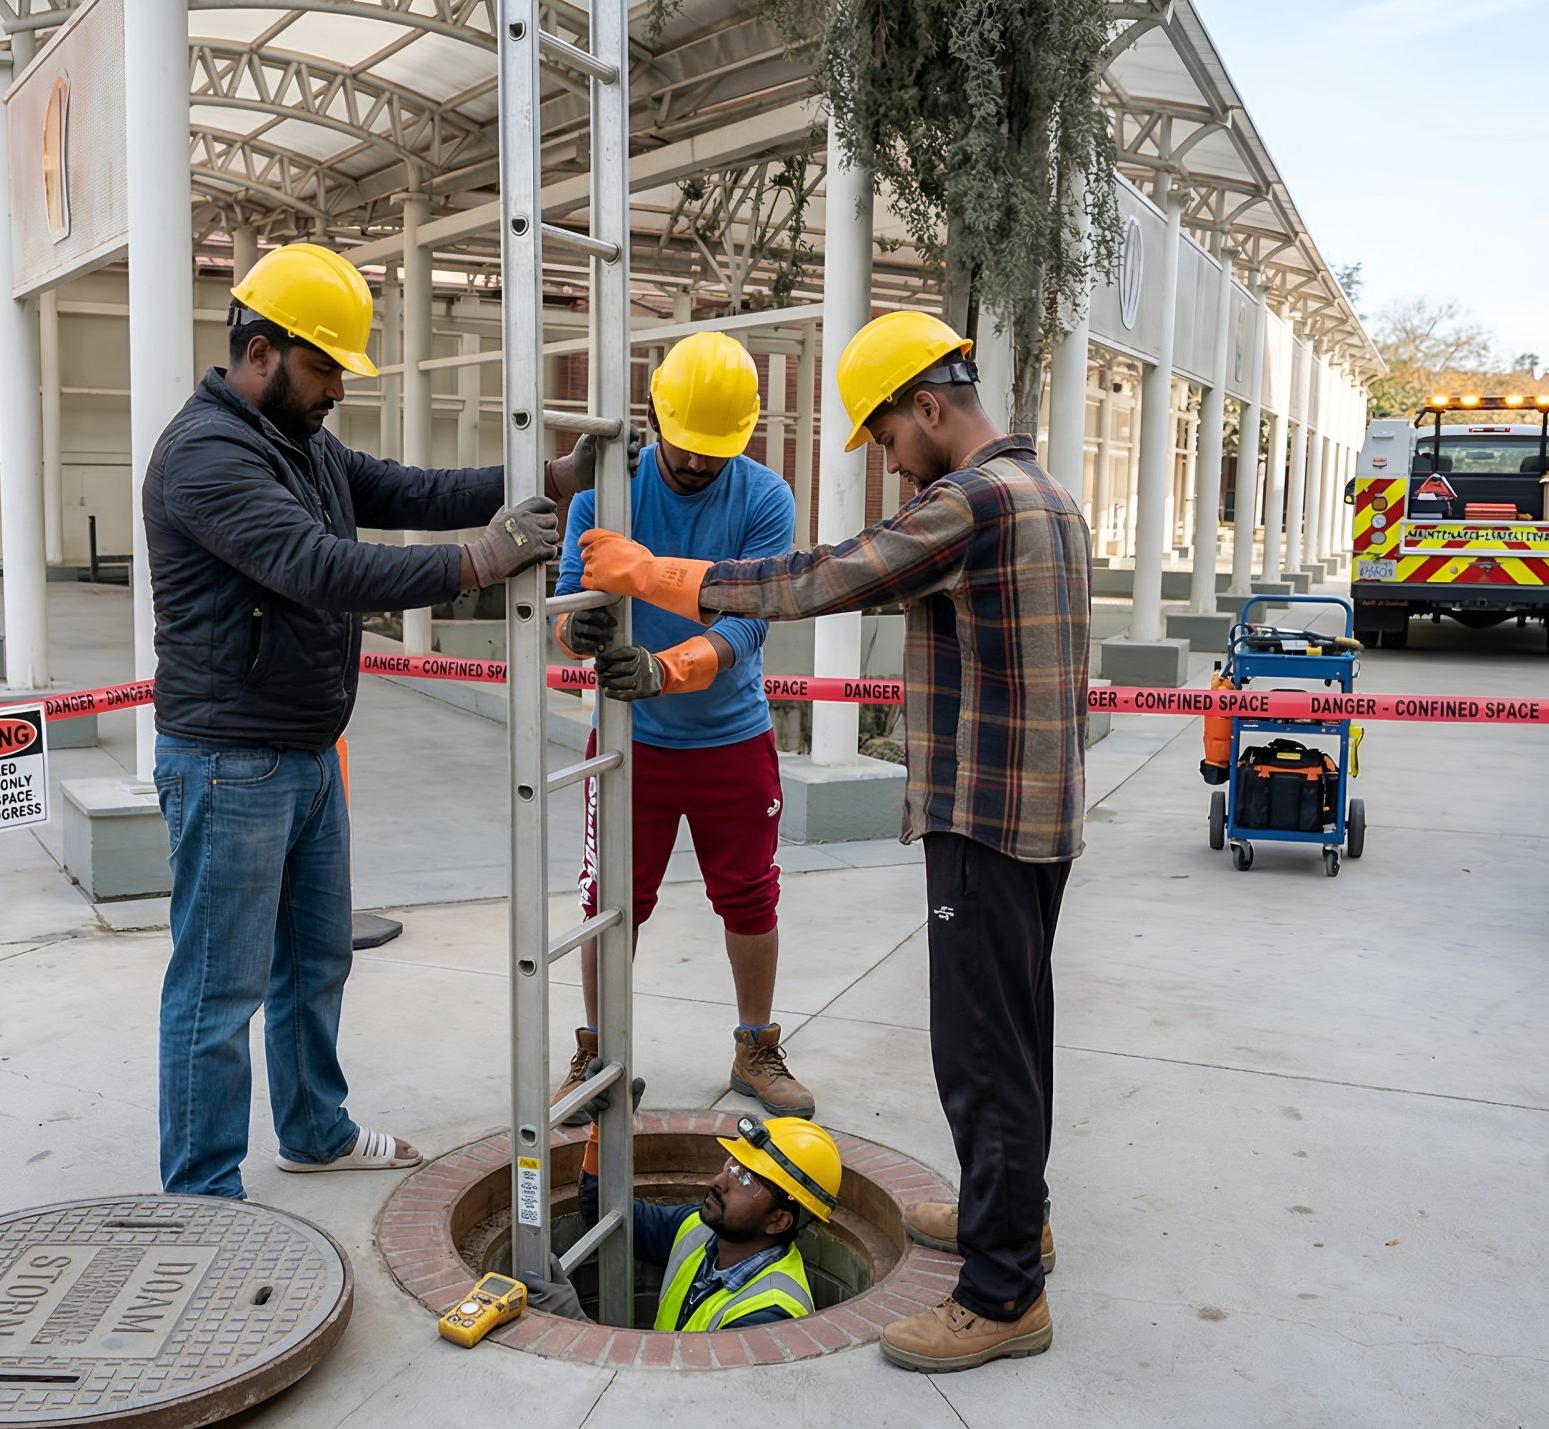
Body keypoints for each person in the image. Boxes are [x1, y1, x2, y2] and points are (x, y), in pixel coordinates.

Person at [573, 309, 1090, 1373]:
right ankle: (1015, 1215)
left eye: (887, 440)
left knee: (980, 1055)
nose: (891, 466)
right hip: (1035, 814)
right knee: (1017, 1031)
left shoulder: (975, 502)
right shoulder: (1042, 492)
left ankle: (1001, 1294)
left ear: (928, 407)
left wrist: (654, 577)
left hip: (984, 817)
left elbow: (816, 581)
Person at [144, 240, 596, 1196]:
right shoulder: (207, 456)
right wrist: (476, 563)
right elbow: (321, 568)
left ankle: (313, 1129)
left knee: (313, 965)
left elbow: (410, 491)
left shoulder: (299, 441)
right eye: (323, 368)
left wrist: (547, 479)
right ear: (259, 350)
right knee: (217, 991)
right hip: (229, 761)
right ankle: (201, 1196)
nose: (336, 390)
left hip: (303, 754)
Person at [549, 331, 810, 1124]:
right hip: (632, 750)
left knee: (750, 896)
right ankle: (599, 1050)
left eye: (715, 450)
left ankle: (755, 1047)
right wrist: (577, 634)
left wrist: (671, 668)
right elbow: (567, 596)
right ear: (656, 415)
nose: (697, 463)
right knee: (609, 900)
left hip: (732, 736)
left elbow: (752, 621)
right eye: (685, 445)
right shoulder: (608, 493)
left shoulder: (764, 497)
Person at [517, 1114, 840, 1331]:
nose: (719, 1180)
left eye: (744, 1180)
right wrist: (607, 1127)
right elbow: (603, 1216)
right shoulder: (701, 1232)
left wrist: (575, 1325)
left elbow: (677, 1395)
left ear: (779, 1220)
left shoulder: (769, 1313)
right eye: (731, 1165)